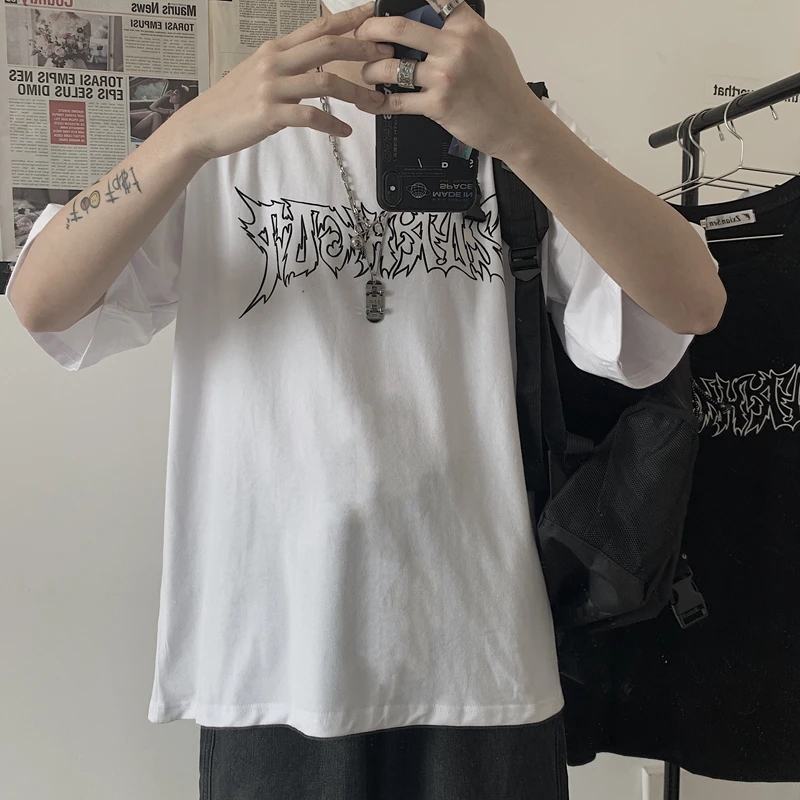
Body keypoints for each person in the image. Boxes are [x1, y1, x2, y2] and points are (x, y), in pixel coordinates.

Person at [7, 1, 725, 798]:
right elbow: (42, 303)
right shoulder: (229, 130)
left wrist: (523, 127)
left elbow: (693, 302)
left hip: (482, 661)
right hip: (272, 662)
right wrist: (189, 132)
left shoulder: (514, 122)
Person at [130, 82, 197, 140]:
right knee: (152, 113)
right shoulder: (171, 112)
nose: (172, 94)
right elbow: (152, 107)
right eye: (173, 92)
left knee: (155, 115)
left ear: (182, 99)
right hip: (160, 134)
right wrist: (165, 96)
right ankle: (128, 116)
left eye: (176, 93)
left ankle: (132, 133)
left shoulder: (182, 114)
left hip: (162, 139)